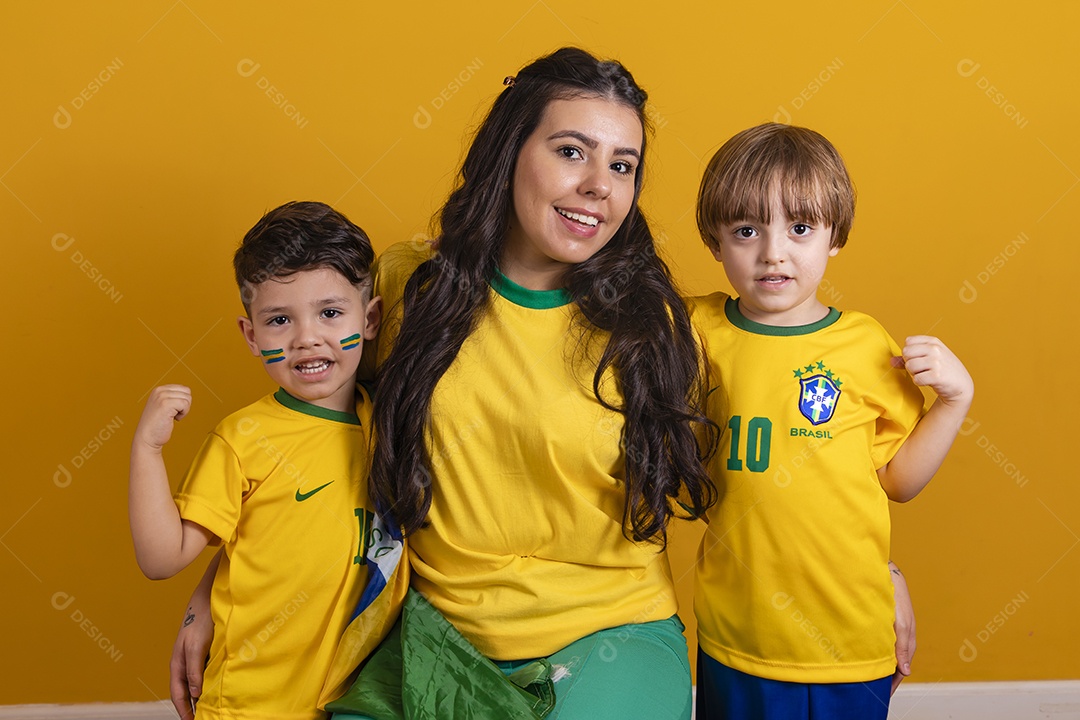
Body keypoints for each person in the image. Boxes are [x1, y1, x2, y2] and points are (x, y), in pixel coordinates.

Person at [168, 52, 920, 719]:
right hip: (440, 634)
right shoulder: (407, 290)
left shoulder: (659, 324)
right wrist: (219, 583)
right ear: (508, 155)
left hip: (612, 633)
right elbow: (314, 438)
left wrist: (867, 569)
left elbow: (782, 449)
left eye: (622, 165)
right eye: (571, 151)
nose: (598, 186)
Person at [690, 123, 974, 720]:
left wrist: (954, 402)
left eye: (799, 228)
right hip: (738, 637)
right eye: (747, 230)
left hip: (850, 638)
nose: (774, 252)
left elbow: (898, 480)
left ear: (834, 236)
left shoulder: (867, 346)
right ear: (714, 241)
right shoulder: (695, 330)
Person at [129, 201, 399, 720]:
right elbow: (161, 559)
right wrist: (147, 450)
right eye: (279, 320)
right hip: (253, 703)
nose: (307, 337)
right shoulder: (243, 439)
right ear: (251, 335)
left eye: (330, 312)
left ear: (370, 319)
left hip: (353, 700)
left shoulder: (385, 420)